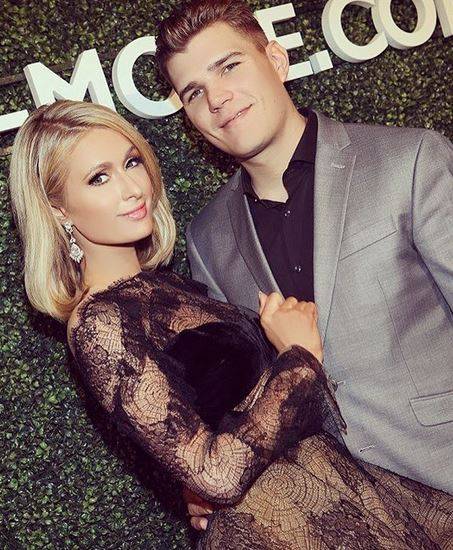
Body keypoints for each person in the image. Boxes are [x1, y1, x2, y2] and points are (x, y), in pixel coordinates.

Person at [8, 100, 453, 549]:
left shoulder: (167, 288)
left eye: (131, 162)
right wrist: (299, 358)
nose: (131, 188)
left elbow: (213, 430)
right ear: (58, 209)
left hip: (334, 494)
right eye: (98, 178)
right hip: (277, 528)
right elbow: (216, 475)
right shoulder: (98, 323)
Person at [155, 0, 453, 520]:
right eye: (194, 92)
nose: (217, 98)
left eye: (229, 66)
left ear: (276, 60)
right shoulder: (208, 238)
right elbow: (247, 395)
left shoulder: (409, 161)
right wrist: (208, 475)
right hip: (346, 519)